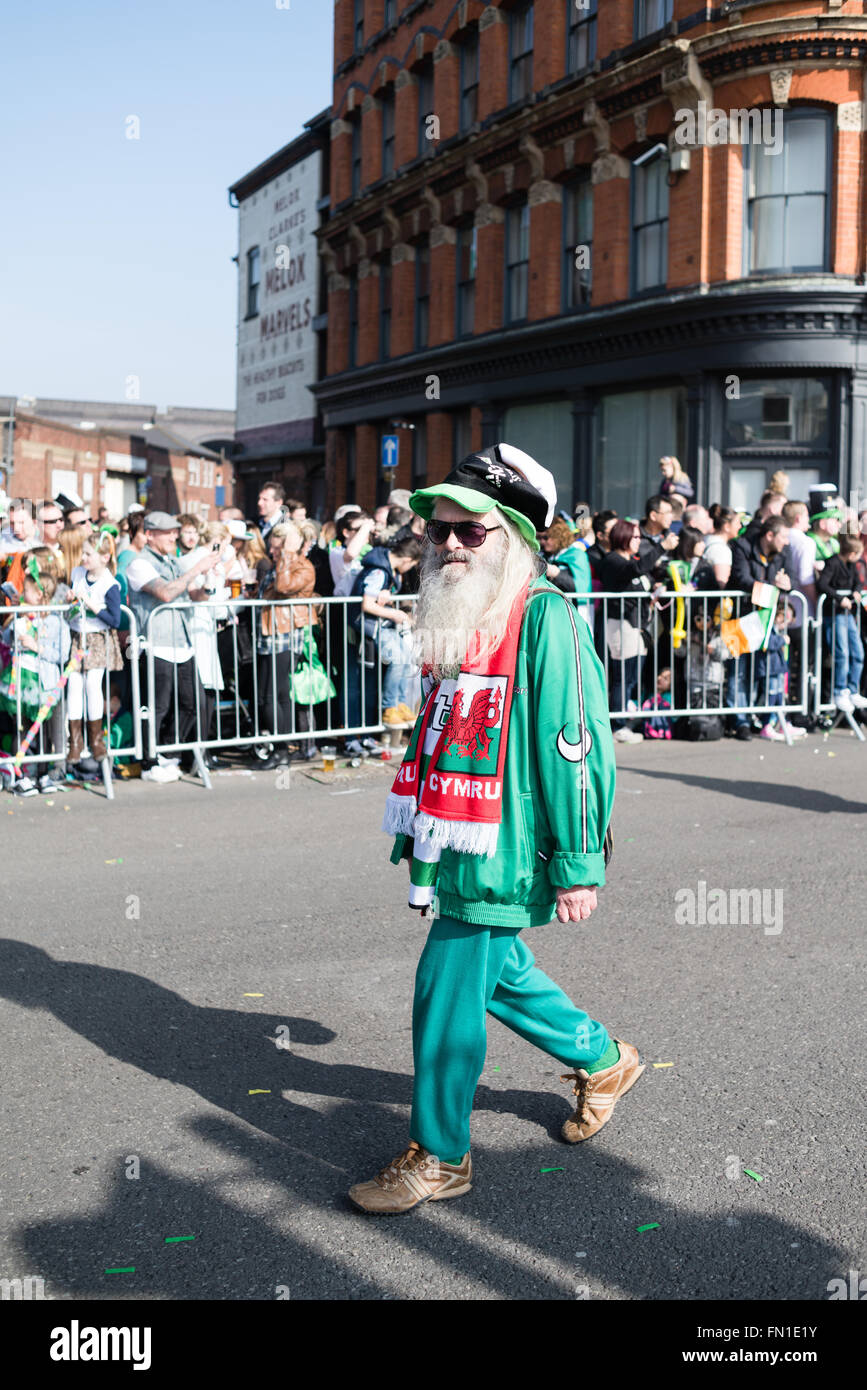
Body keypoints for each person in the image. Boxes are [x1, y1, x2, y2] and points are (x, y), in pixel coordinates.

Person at [348, 444, 637, 1217]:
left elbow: (574, 748)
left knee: (443, 987)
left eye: (469, 532)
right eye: (438, 530)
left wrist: (578, 862)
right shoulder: (465, 614)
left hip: (508, 844)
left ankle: (440, 1154)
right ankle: (602, 1060)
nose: (446, 543)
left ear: (510, 536)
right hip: (458, 834)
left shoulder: (546, 618)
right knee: (496, 969)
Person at [126, 512, 221, 781]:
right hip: (156, 644)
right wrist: (197, 568)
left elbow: (194, 595)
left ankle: (168, 753)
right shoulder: (139, 564)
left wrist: (209, 579)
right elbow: (166, 593)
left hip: (183, 642)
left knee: (193, 704)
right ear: (150, 534)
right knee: (157, 707)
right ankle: (149, 761)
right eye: (167, 532)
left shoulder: (173, 561)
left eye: (174, 531)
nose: (173, 536)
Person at [0, 558, 70, 796]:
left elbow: (61, 654)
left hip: (48, 684)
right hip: (23, 683)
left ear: (40, 595)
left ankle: (52, 772)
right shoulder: (20, 618)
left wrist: (37, 646)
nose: (22, 593)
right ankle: (25, 775)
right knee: (24, 728)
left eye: (26, 591)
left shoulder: (55, 621)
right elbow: (6, 640)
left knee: (53, 730)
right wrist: (16, 619)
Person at [256, 520, 319, 768]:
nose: (272, 553)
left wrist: (288, 554)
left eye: (276, 548)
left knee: (274, 695)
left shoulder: (302, 566)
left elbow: (283, 587)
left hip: (285, 634)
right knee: (268, 696)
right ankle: (280, 749)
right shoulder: (279, 565)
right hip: (269, 633)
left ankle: (281, 751)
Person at [727, 516, 792, 739]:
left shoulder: (781, 554)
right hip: (739, 617)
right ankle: (740, 721)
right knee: (739, 673)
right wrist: (772, 587)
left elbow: (785, 580)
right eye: (783, 536)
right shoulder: (741, 547)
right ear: (770, 535)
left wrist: (786, 586)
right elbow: (741, 579)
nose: (786, 542)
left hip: (765, 620)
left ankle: (759, 718)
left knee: (761, 671)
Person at [350, 533, 423, 726]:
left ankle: (399, 703)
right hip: (371, 624)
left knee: (406, 656)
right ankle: (390, 707)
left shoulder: (387, 569)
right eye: (412, 565)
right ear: (407, 560)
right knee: (398, 659)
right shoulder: (380, 571)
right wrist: (394, 614)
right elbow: (368, 604)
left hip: (379, 623)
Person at [66, 532, 123, 771]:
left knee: (92, 686)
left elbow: (115, 619)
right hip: (78, 637)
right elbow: (70, 598)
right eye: (83, 553)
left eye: (89, 554)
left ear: (104, 557)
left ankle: (97, 740)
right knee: (74, 686)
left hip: (98, 639)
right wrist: (70, 598)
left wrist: (91, 605)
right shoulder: (78, 573)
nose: (84, 558)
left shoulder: (110, 583)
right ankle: (75, 743)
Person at [600, 518, 660, 743]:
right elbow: (634, 570)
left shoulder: (632, 560)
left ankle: (624, 719)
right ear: (623, 537)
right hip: (621, 624)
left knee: (633, 677)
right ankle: (617, 725)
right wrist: (662, 548)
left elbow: (642, 574)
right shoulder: (613, 560)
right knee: (622, 676)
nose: (639, 541)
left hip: (639, 625)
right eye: (635, 537)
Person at [816, 532, 866, 715]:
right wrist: (839, 598)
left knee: (858, 651)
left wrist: (855, 593)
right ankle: (839, 690)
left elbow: (858, 583)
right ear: (851, 553)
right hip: (835, 613)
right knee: (842, 652)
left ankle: (853, 689)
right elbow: (823, 584)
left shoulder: (852, 565)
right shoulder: (833, 562)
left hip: (848, 614)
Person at [701, 507, 740, 589]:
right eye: (737, 523)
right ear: (727, 527)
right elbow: (722, 583)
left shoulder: (706, 539)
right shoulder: (721, 549)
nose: (740, 526)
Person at [637, 495, 678, 567]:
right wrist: (662, 547)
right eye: (667, 512)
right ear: (653, 516)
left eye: (671, 513)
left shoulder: (671, 538)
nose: (671, 517)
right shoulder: (635, 537)